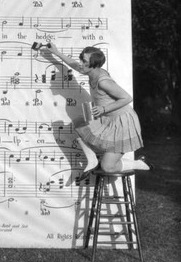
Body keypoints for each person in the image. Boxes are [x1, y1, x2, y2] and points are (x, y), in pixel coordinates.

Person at [41, 43, 153, 179]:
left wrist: (103, 109)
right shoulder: (89, 70)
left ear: (93, 65)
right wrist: (56, 53)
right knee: (79, 125)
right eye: (81, 58)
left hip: (123, 123)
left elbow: (127, 98)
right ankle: (92, 160)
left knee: (108, 167)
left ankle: (139, 163)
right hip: (107, 119)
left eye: (84, 61)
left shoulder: (103, 81)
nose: (80, 63)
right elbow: (74, 65)